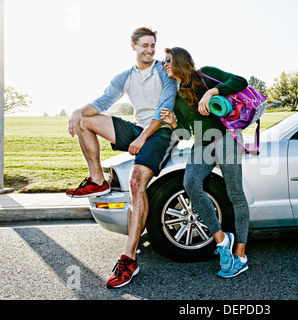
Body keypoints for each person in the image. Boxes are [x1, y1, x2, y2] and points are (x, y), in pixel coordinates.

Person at [67, 27, 178, 288]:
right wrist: (76, 110)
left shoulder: (164, 71)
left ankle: (129, 258)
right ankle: (97, 179)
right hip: (139, 129)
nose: (150, 50)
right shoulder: (125, 77)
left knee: (136, 182)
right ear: (133, 47)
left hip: (161, 133)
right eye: (145, 46)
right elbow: (102, 102)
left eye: (153, 45)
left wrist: (141, 139)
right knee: (85, 120)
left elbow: (166, 110)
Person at [160, 47, 250, 278]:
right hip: (202, 144)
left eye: (168, 59)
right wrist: (172, 122)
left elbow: (240, 81)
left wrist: (210, 93)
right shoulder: (179, 96)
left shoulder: (206, 74)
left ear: (180, 60)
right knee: (190, 182)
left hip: (225, 137)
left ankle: (240, 255)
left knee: (235, 194)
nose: (165, 63)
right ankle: (222, 240)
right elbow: (185, 134)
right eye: (163, 61)